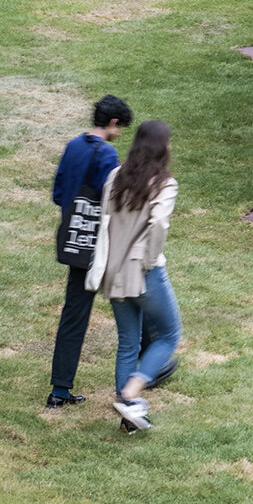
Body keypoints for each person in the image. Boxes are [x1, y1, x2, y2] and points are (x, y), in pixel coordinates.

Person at [86, 119, 182, 432]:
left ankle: (128, 415)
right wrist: (150, 260)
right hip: (144, 272)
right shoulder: (164, 183)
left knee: (128, 341)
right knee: (169, 335)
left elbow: (106, 221)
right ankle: (131, 391)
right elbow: (158, 225)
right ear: (161, 147)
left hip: (113, 272)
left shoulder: (115, 176)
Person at [47, 94, 133, 408]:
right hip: (98, 246)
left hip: (74, 241)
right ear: (112, 123)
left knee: (74, 314)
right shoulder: (107, 154)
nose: (119, 132)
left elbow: (59, 192)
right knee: (136, 295)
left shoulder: (73, 145)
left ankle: (60, 388)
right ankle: (155, 363)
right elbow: (115, 203)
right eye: (120, 126)